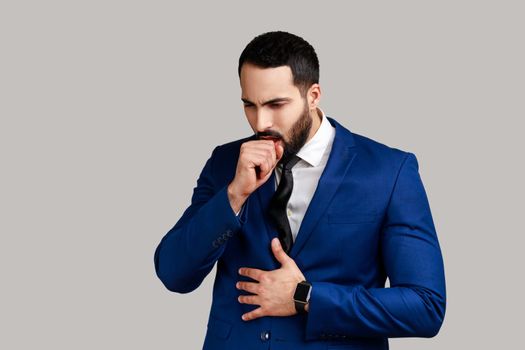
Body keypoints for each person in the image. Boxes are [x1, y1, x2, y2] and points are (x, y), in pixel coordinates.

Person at [153, 30, 446, 350]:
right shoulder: (225, 163)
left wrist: (305, 296)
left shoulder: (388, 172)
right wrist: (234, 196)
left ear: (313, 95)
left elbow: (425, 307)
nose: (261, 122)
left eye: (276, 104)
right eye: (249, 105)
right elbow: (173, 273)